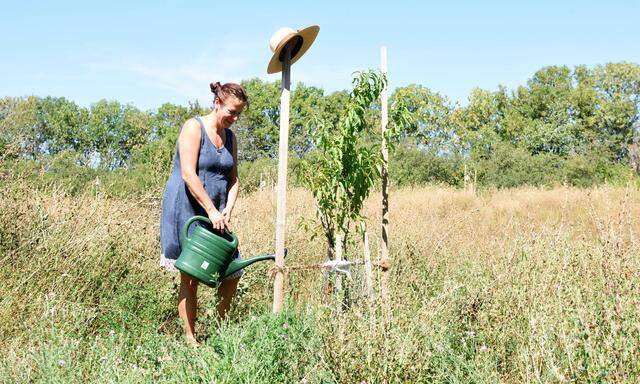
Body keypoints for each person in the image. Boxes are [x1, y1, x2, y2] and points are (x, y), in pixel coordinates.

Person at [159, 81, 248, 344]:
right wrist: (211, 210)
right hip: (190, 209)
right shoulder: (193, 127)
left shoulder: (230, 138)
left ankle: (220, 333)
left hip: (217, 214)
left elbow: (234, 180)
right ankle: (190, 340)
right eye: (231, 112)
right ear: (217, 102)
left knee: (232, 272)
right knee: (192, 273)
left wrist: (227, 210)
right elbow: (188, 174)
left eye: (238, 114)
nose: (234, 118)